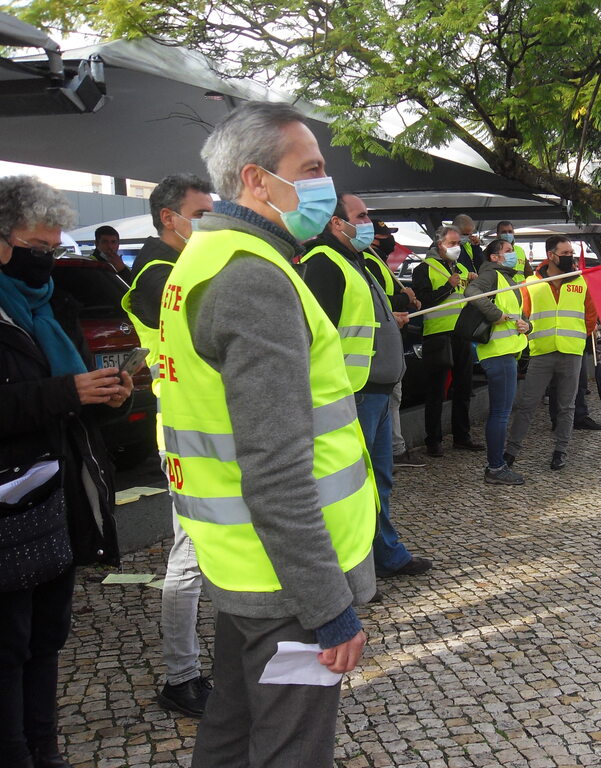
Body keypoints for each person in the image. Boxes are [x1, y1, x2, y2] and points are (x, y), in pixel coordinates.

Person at [159, 102, 376, 767]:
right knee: (290, 748)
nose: (323, 185)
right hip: (287, 583)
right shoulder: (252, 277)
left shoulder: (214, 258)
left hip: (246, 565)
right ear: (256, 179)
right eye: (309, 169)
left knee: (230, 730)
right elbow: (276, 466)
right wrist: (327, 604)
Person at [1, 176, 129, 768]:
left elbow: (73, 402)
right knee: (9, 645)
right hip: (9, 507)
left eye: (54, 248)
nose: (46, 260)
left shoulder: (51, 300)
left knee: (48, 638)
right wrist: (64, 392)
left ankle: (44, 749)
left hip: (55, 495)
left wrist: (110, 395)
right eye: (36, 247)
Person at [300, 194, 433, 580]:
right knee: (352, 485)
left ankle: (384, 555)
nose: (368, 222)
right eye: (360, 216)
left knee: (378, 480)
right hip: (352, 392)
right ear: (336, 223)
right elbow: (314, 333)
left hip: (373, 390)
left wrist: (388, 318)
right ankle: (354, 568)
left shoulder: (353, 260)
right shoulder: (323, 263)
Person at [122, 174, 215, 717]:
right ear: (168, 218)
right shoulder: (159, 274)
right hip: (189, 431)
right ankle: (180, 676)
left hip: (208, 427)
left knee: (211, 551)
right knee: (190, 556)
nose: (209, 222)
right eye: (200, 212)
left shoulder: (180, 264)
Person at [505, 236, 597, 471]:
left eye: (571, 253)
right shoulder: (530, 283)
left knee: (567, 406)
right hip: (541, 352)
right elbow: (524, 315)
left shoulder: (582, 282)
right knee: (527, 404)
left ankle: (560, 451)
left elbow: (590, 316)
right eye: (565, 253)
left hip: (571, 351)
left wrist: (577, 337)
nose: (570, 257)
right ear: (551, 255)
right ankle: (511, 452)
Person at [412, 225, 484, 457]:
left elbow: (468, 297)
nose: (457, 248)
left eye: (459, 244)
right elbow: (423, 302)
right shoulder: (424, 268)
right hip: (437, 335)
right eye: (452, 244)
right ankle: (433, 440)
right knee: (436, 390)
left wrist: (472, 282)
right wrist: (447, 286)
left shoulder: (462, 267)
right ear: (439, 244)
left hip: (462, 334)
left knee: (464, 387)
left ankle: (461, 436)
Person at [464, 238, 531, 485]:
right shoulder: (491, 275)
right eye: (508, 251)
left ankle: (496, 465)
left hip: (508, 352)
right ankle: (495, 467)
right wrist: (495, 315)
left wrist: (527, 325)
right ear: (494, 257)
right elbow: (470, 292)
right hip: (497, 353)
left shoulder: (508, 279)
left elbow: (519, 316)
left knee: (501, 412)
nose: (514, 254)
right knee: (501, 414)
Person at [364, 219, 424, 469]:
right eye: (388, 235)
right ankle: (391, 451)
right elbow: (378, 303)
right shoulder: (369, 262)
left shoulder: (376, 260)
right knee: (389, 400)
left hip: (389, 342)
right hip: (379, 348)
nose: (393, 241)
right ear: (377, 239)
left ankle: (393, 448)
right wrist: (404, 298)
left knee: (394, 398)